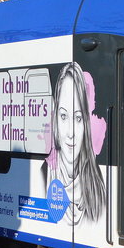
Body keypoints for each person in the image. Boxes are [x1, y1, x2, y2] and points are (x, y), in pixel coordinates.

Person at [46, 62, 106, 225]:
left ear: (86, 124)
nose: (70, 134)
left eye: (78, 118)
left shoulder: (98, 188)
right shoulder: (42, 174)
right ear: (55, 118)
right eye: (64, 117)